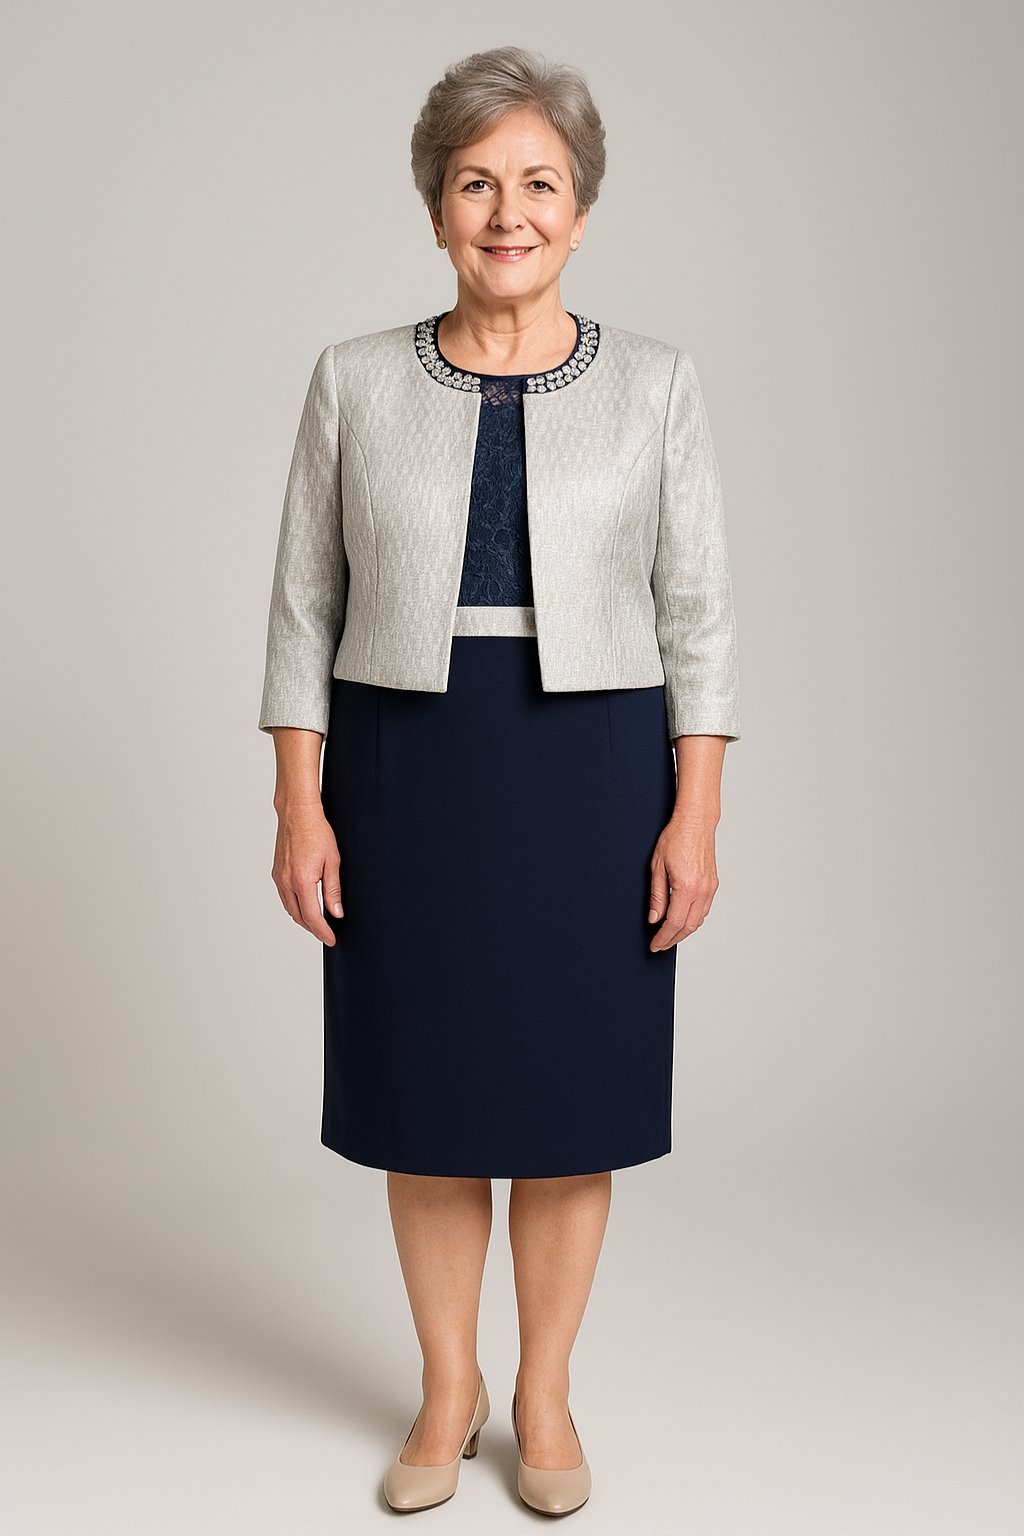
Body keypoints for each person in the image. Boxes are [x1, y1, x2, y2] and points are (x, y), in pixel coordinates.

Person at [258, 44, 741, 1517]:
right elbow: (302, 611)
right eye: (477, 183)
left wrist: (694, 814)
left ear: (580, 209)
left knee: (570, 1095)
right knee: (425, 1092)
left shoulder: (657, 384)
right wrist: (299, 805)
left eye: (539, 183)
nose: (508, 212)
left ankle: (543, 1394)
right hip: (407, 762)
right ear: (436, 209)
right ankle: (445, 1387)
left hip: (592, 768)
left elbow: (698, 617)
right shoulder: (352, 380)